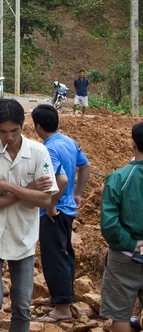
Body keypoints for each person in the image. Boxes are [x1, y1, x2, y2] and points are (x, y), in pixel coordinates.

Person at [0, 99, 59, 332]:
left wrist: (10, 187)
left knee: (22, 305)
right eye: (2, 132)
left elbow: (46, 199)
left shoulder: (39, 153)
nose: (8, 137)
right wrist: (28, 190)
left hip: (23, 237)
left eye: (14, 131)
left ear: (23, 125)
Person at [31, 104, 91, 322]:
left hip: (54, 212)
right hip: (68, 210)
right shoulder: (69, 142)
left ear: (37, 126)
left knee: (54, 256)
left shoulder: (48, 149)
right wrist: (78, 194)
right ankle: (62, 296)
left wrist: (50, 204)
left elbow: (61, 179)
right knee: (65, 253)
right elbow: (85, 167)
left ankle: (63, 308)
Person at [99, 121, 143, 332]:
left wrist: (133, 243)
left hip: (125, 257)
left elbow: (109, 225)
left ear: (133, 144)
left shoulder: (119, 178)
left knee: (120, 315)